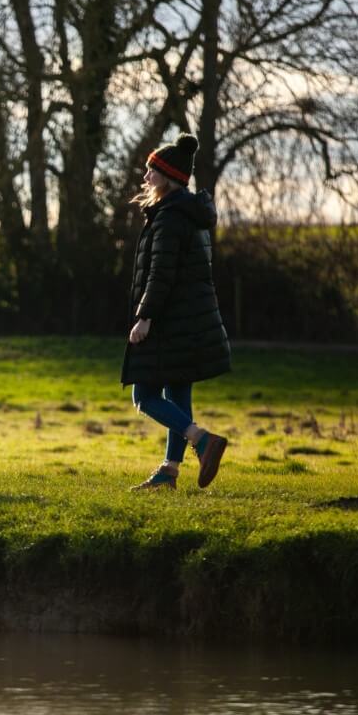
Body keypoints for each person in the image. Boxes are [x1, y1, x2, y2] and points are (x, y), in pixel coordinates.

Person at [120, 133, 231, 491]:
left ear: (167, 177)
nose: (145, 178)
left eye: (151, 171)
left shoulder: (169, 218)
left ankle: (202, 440)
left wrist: (145, 317)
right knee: (178, 396)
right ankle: (169, 471)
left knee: (144, 396)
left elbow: (161, 274)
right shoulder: (190, 214)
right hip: (191, 323)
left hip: (170, 321)